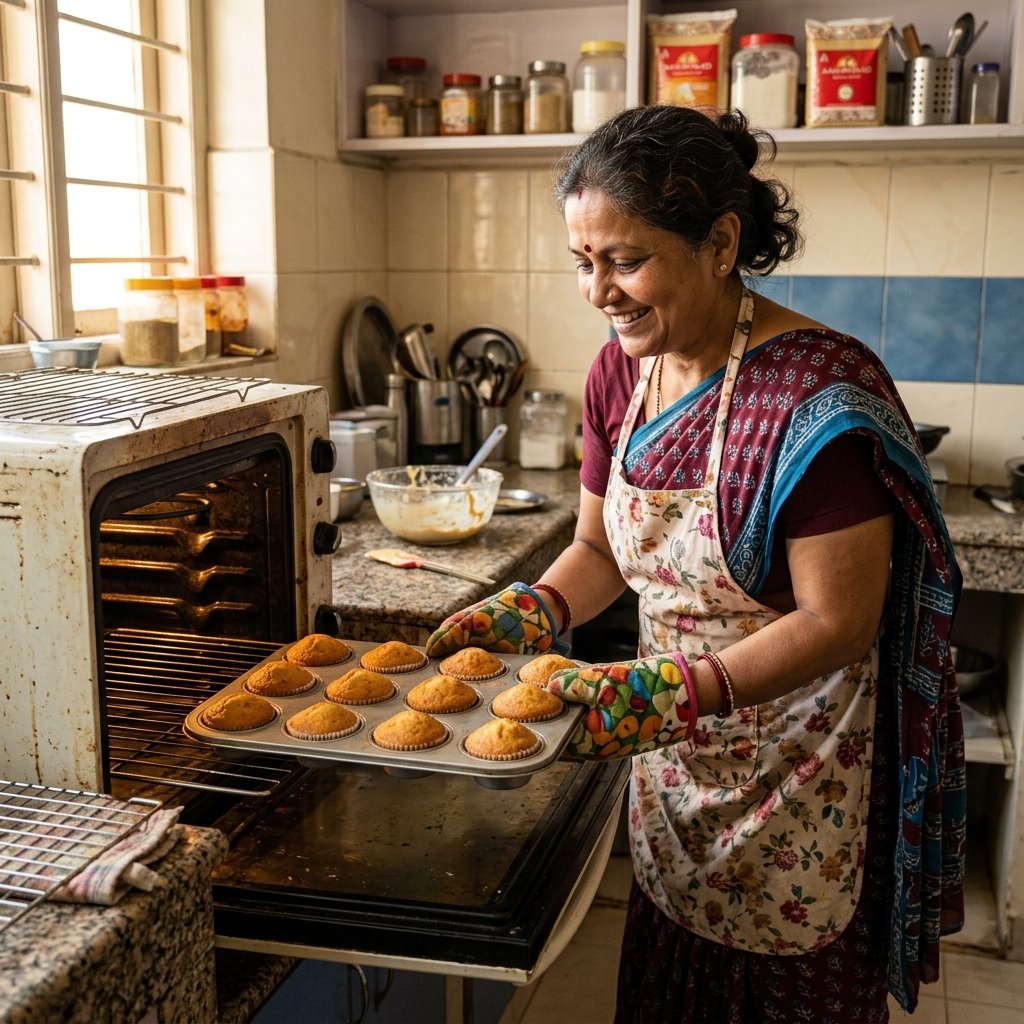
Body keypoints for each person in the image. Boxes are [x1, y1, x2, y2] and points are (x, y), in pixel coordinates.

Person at [426, 104, 965, 1022]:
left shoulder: (816, 399)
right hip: (671, 768)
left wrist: (674, 695)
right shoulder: (617, 374)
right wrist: (539, 610)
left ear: (720, 242)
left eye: (625, 260)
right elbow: (599, 550)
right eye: (582, 263)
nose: (599, 292)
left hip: (799, 780)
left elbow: (840, 623)